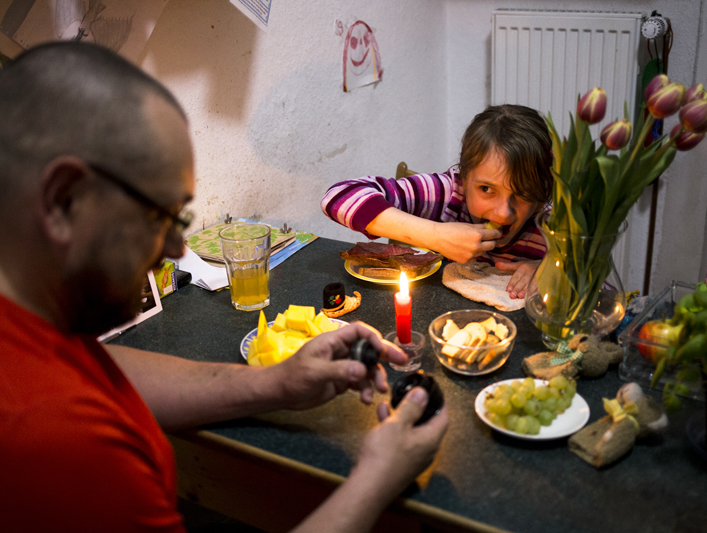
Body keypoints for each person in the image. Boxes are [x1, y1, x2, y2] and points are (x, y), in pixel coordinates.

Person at [0, 41, 448, 532]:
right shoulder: (59, 441)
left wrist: (278, 383)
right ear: (65, 200)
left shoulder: (28, 329)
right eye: (160, 216)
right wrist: (378, 479)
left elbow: (98, 369)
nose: (175, 250)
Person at [321, 104, 554, 299]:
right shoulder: (448, 194)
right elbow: (339, 196)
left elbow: (588, 277)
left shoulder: (555, 224)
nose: (504, 213)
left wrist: (554, 270)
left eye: (523, 193)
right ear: (464, 176)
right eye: (486, 189)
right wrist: (436, 235)